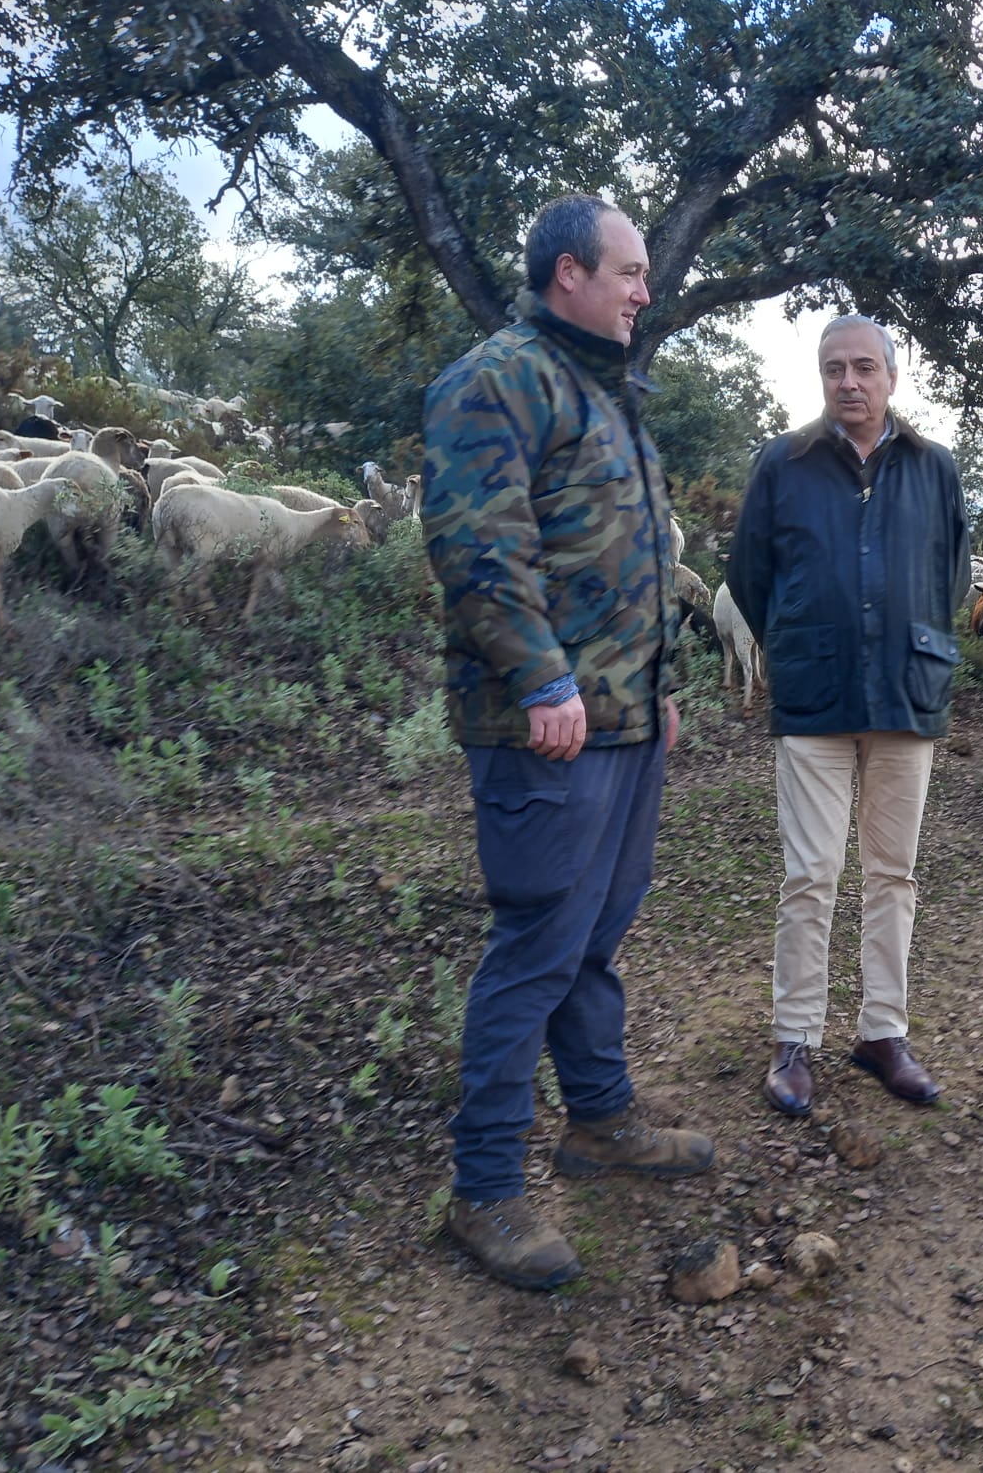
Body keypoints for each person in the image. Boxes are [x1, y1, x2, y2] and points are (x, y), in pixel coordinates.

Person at [420, 193, 713, 1291]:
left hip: (622, 724)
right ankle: (484, 1190)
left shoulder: (607, 393)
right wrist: (543, 675)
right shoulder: (494, 379)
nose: (645, 290)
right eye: (629, 271)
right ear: (566, 275)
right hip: (545, 730)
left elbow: (637, 566)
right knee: (537, 943)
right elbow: (478, 549)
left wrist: (657, 685)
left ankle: (598, 1123)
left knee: (596, 935)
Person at [726, 315, 970, 1117]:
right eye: (835, 369)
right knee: (811, 874)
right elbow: (751, 578)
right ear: (820, 378)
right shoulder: (783, 463)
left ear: (893, 377)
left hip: (905, 697)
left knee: (893, 875)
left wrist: (914, 644)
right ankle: (794, 1038)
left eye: (865, 367)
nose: (850, 382)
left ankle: (882, 1034)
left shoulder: (935, 469)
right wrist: (800, 645)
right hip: (815, 700)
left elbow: (954, 577)